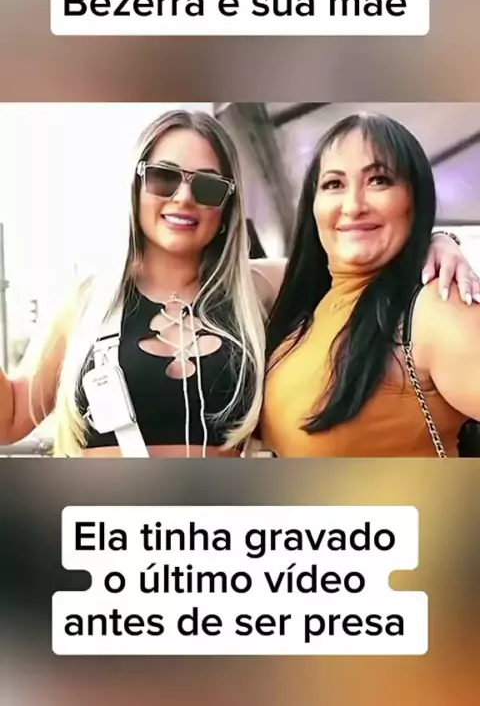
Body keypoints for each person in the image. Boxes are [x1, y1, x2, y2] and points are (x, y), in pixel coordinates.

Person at [0, 109, 477, 458]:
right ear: (136, 187)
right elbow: (14, 415)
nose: (183, 198)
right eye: (163, 178)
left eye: (208, 186)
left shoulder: (261, 289)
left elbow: (352, 252)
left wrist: (435, 241)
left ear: (227, 207)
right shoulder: (90, 301)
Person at [261, 112, 480, 457]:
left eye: (379, 180)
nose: (353, 206)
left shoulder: (438, 308)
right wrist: (440, 238)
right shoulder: (305, 302)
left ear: (415, 199)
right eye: (333, 184)